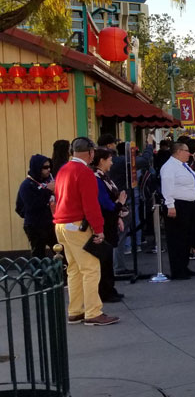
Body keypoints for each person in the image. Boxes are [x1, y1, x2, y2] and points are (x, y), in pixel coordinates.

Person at [53, 137, 118, 325]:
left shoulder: (63, 170)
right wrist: (99, 230)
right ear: (89, 153)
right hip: (78, 225)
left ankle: (75, 310)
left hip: (61, 225)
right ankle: (93, 312)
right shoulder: (85, 172)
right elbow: (91, 205)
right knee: (90, 268)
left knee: (73, 269)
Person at [90, 148, 126, 303]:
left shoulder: (104, 177)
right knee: (104, 259)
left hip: (110, 219)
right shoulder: (97, 178)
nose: (111, 162)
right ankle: (105, 290)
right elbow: (104, 203)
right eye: (110, 159)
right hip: (104, 221)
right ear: (102, 160)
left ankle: (110, 288)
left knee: (108, 257)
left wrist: (117, 215)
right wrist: (119, 204)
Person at [161, 142, 195, 280]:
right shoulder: (169, 167)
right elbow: (167, 186)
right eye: (186, 151)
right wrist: (170, 205)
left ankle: (184, 266)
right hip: (177, 205)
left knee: (186, 237)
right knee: (177, 238)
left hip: (189, 204)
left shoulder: (183, 166)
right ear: (178, 151)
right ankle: (177, 270)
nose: (189, 154)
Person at [15, 155, 56, 258]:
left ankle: (62, 272)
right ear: (37, 168)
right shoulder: (27, 185)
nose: (48, 170)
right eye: (45, 167)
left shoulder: (48, 181)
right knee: (38, 254)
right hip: (35, 225)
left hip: (50, 223)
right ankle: (38, 273)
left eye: (49, 167)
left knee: (59, 249)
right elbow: (31, 205)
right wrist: (47, 191)